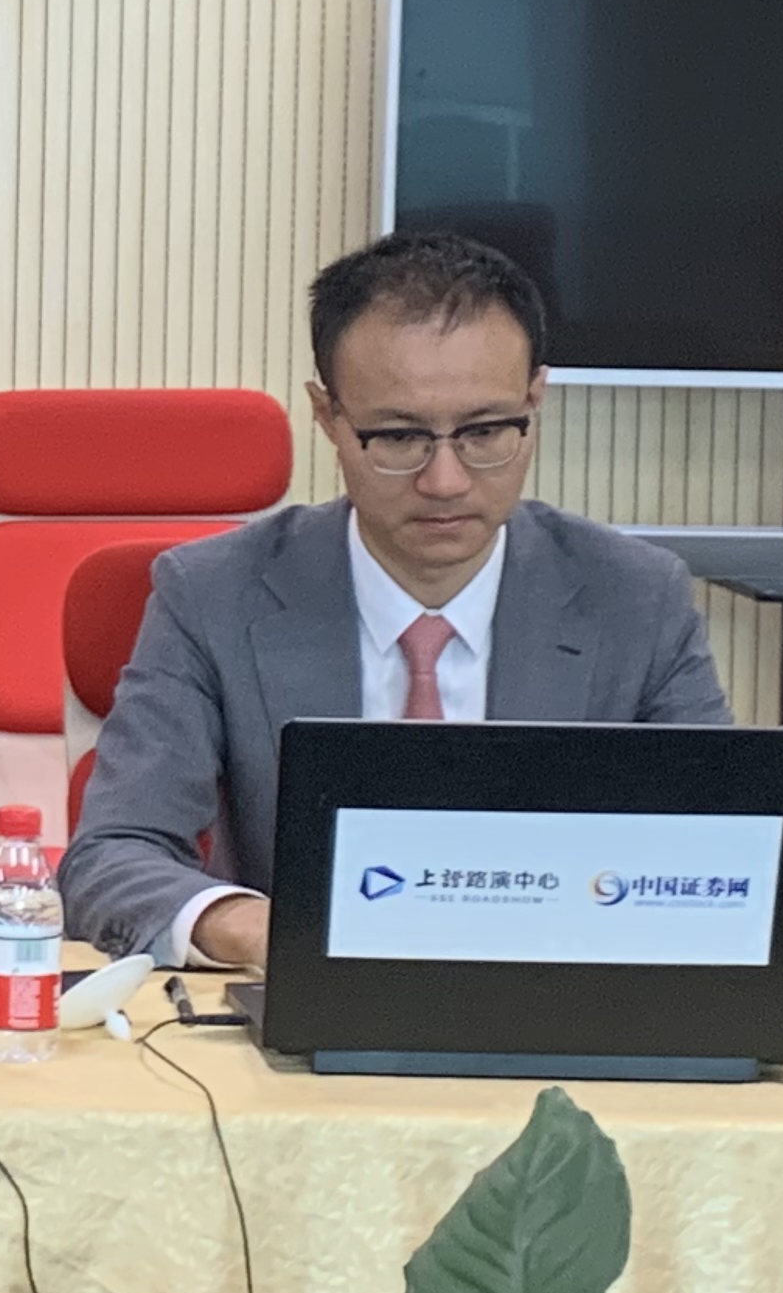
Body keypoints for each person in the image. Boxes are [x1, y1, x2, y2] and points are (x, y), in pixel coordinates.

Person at [59, 227, 728, 970]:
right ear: (328, 417)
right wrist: (262, 931)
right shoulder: (213, 593)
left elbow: (722, 852)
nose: (445, 481)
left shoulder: (637, 597)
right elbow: (113, 854)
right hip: (305, 1007)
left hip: (563, 999)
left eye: (485, 432)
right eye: (399, 438)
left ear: (534, 399)